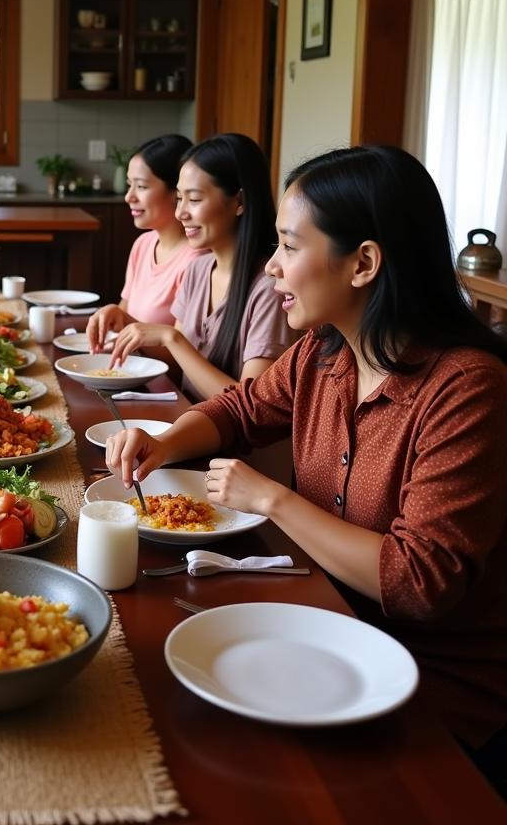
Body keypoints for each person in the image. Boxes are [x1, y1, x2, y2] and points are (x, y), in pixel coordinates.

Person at [105, 146, 507, 777]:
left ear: (363, 263)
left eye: (290, 247)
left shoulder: (467, 389)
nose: (270, 267)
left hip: (436, 693)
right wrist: (165, 442)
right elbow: (238, 411)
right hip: (322, 626)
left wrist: (271, 498)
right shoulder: (324, 354)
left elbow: (419, 581)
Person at [107, 133, 297, 401]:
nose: (180, 213)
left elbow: (250, 406)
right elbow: (178, 367)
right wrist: (136, 328)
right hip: (184, 421)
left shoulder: (268, 287)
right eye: (179, 199)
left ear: (239, 202)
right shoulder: (199, 270)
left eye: (194, 200)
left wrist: (172, 339)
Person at [86, 134, 203, 358]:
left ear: (177, 191)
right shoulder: (143, 244)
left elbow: (182, 360)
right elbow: (123, 313)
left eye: (141, 186)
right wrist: (111, 317)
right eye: (130, 186)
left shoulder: (197, 261)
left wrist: (126, 323)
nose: (129, 197)